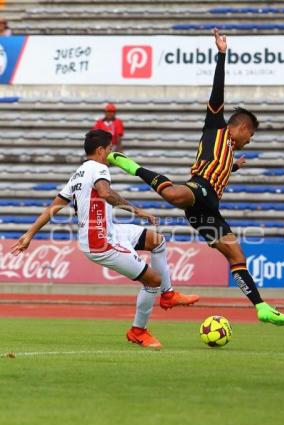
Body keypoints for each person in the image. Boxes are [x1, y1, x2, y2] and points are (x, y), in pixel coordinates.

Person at [107, 29, 284, 326]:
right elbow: (217, 92)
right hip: (199, 189)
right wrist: (221, 55)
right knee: (174, 194)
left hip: (208, 209)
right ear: (241, 128)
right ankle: (130, 165)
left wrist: (234, 167)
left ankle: (261, 307)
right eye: (251, 134)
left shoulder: (230, 152)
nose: (250, 140)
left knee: (236, 257)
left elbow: (220, 165)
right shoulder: (216, 127)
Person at [11, 130, 200, 349]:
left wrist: (29, 234)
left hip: (110, 231)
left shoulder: (78, 173)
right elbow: (105, 193)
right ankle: (138, 331)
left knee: (157, 240)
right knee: (152, 281)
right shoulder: (99, 168)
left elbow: (54, 207)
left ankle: (168, 295)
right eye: (110, 150)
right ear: (100, 150)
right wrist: (136, 210)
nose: (111, 155)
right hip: (100, 242)